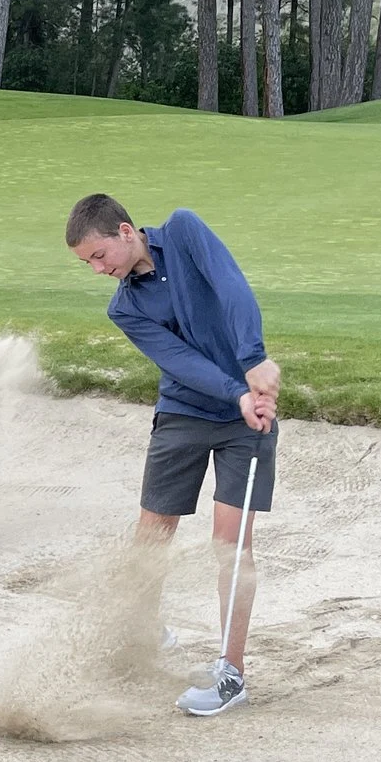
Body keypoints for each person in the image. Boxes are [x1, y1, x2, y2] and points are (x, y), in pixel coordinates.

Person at [65, 194, 280, 717]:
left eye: (98, 255)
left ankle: (231, 673)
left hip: (245, 423)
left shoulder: (184, 231)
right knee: (150, 539)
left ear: (124, 230)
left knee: (231, 546)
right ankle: (142, 634)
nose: (98, 269)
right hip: (184, 415)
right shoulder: (124, 305)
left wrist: (253, 361)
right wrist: (236, 390)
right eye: (86, 264)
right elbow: (178, 360)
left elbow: (231, 287)